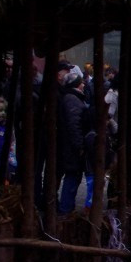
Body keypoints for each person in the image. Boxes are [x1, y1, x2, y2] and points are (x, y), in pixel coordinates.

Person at [57, 69, 89, 214]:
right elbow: (74, 125)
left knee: (73, 176)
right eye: (81, 83)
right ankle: (66, 209)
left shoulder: (73, 98)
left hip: (70, 145)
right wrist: (80, 146)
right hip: (71, 147)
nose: (83, 85)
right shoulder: (72, 99)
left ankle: (66, 207)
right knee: (72, 175)